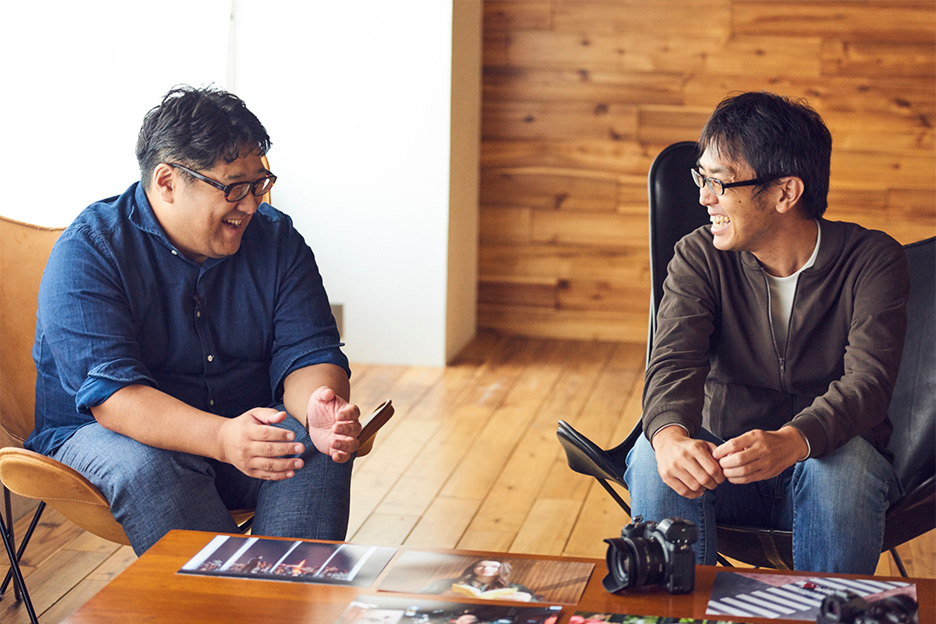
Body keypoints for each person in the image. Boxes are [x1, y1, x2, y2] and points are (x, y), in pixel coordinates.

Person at [26, 85, 363, 555]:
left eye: (258, 183)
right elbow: (115, 398)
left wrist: (318, 407)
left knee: (314, 445)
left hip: (236, 429)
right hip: (108, 435)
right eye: (232, 187)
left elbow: (309, 351)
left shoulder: (277, 240)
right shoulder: (91, 250)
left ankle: (280, 603)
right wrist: (222, 437)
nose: (251, 204)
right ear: (166, 182)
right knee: (150, 466)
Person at [623, 91, 909, 574]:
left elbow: (869, 384)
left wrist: (794, 440)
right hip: (723, 468)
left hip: (825, 465)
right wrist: (671, 438)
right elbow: (673, 361)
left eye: (719, 181)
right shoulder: (699, 255)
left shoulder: (873, 260)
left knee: (844, 472)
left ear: (784, 193)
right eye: (702, 177)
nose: (703, 197)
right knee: (654, 460)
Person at [419, 559, 538, 602]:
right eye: (481, 566)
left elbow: (534, 603)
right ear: (473, 568)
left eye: (493, 567)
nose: (486, 569)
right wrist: (444, 595)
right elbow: (421, 596)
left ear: (502, 569)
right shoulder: (448, 583)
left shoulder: (514, 588)